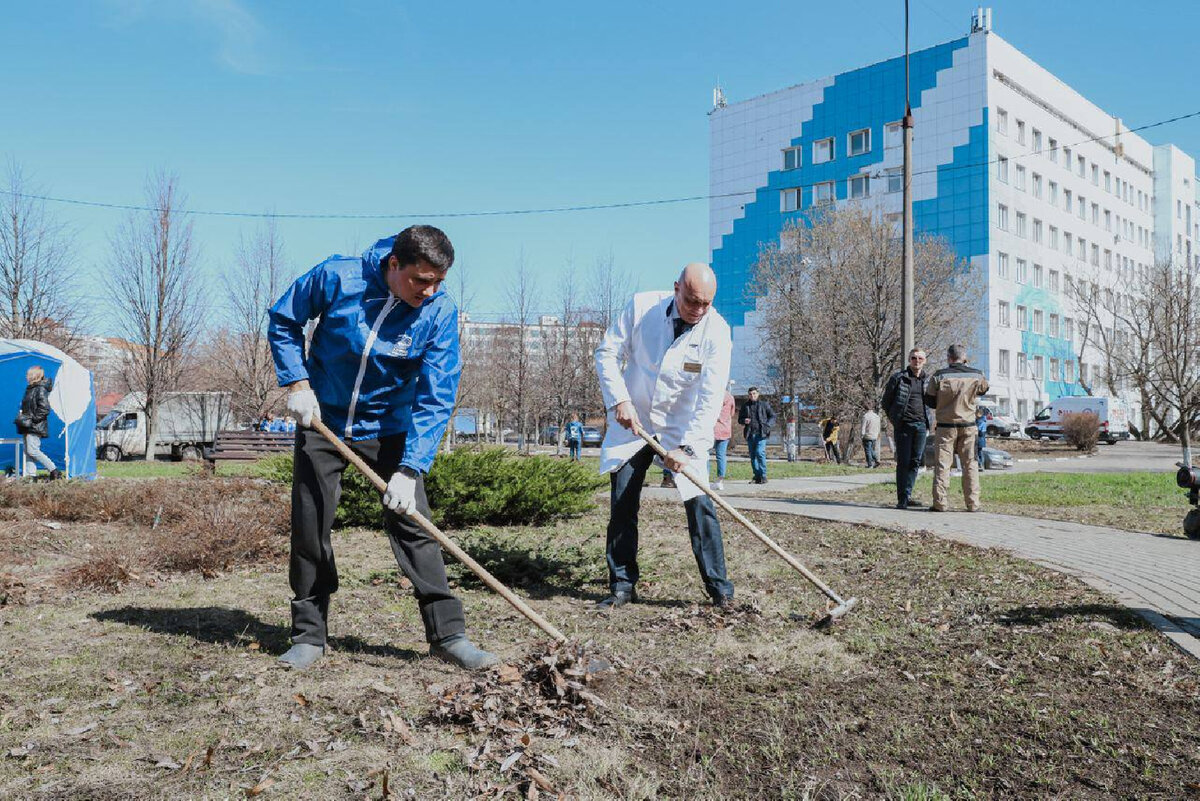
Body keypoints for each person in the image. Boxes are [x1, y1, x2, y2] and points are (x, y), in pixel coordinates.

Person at [267, 225, 497, 671]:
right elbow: (284, 318)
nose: (429, 291)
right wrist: (297, 382)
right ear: (394, 264)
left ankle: (449, 635)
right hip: (323, 421)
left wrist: (410, 468)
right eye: (421, 280)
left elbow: (438, 394)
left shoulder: (439, 313)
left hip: (389, 429)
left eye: (438, 282)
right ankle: (309, 635)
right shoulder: (338, 278)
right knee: (310, 527)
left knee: (415, 528)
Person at [594, 263, 734, 609]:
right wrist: (619, 400)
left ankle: (720, 590)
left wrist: (687, 447)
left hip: (683, 427)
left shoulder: (716, 331)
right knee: (623, 502)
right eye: (691, 301)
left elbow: (710, 398)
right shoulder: (642, 307)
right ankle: (622, 585)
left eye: (706, 303)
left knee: (700, 504)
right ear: (676, 289)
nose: (698, 311)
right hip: (634, 420)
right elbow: (607, 353)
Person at [924, 344, 990, 512]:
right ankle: (973, 504)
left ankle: (940, 503)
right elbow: (983, 390)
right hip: (968, 426)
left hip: (945, 426)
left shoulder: (939, 376)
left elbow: (930, 400)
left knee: (942, 465)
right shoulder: (977, 374)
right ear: (964, 357)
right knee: (970, 464)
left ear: (949, 358)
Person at [882, 348, 933, 510]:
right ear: (909, 360)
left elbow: (932, 402)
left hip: (921, 426)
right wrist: (896, 420)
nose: (916, 361)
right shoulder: (898, 378)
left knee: (915, 461)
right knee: (903, 461)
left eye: (920, 358)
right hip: (904, 425)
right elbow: (886, 402)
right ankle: (902, 499)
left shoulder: (928, 380)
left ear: (924, 361)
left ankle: (908, 494)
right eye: (913, 358)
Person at [15, 365, 61, 480]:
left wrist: (33, 419)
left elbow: (45, 408)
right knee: (28, 452)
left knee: (32, 450)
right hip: (27, 425)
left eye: (28, 374)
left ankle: (54, 470)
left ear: (33, 375)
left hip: (34, 426)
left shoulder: (40, 388)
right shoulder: (30, 388)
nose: (26, 376)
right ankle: (31, 477)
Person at [738, 387, 774, 484]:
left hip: (761, 434)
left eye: (754, 394)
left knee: (760, 453)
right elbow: (739, 419)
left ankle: (763, 475)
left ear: (758, 394)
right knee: (753, 456)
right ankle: (757, 476)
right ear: (748, 395)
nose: (752, 396)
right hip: (750, 434)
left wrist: (768, 425)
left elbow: (772, 416)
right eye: (750, 394)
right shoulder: (745, 406)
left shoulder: (764, 404)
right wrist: (744, 420)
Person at [711, 383, 735, 491]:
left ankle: (703, 477)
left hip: (713, 429)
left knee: (705, 454)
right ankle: (720, 480)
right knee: (721, 456)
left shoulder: (713, 395)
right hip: (725, 429)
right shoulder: (730, 397)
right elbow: (732, 413)